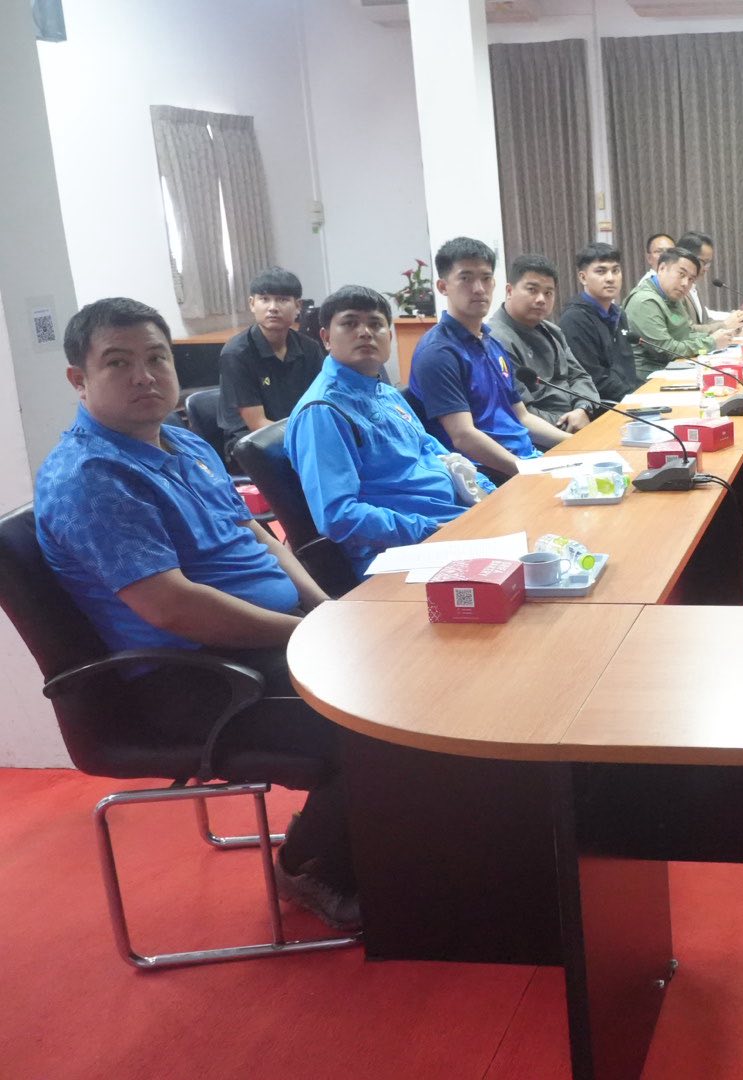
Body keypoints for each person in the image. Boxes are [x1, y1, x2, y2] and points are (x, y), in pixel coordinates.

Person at [34, 297, 357, 928]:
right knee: (375, 716)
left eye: (156, 358)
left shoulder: (181, 440)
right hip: (192, 677)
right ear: (79, 379)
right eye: (118, 363)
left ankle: (383, 831)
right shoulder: (92, 477)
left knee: (398, 673)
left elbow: (256, 534)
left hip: (261, 643)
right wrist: (309, 630)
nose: (144, 376)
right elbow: (174, 608)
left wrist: (324, 606)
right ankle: (311, 866)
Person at [286, 286, 490, 578]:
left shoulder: (387, 393)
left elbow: (439, 455)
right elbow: (338, 516)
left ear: (390, 338)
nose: (365, 332)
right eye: (350, 323)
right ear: (326, 338)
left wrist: (490, 496)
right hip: (404, 551)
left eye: (376, 324)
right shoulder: (322, 411)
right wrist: (431, 530)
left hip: (454, 524)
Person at [408, 236, 569, 479]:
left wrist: (577, 443)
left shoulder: (492, 344)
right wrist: (528, 471)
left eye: (485, 278)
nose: (479, 289)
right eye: (466, 278)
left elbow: (522, 417)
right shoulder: (438, 352)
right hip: (488, 475)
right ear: (443, 287)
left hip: (526, 460)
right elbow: (463, 437)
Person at [217, 266, 323, 462]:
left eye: (282, 300)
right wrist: (308, 440)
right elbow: (257, 424)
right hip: (251, 445)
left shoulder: (310, 348)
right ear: (252, 304)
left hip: (298, 436)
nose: (273, 307)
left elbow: (321, 404)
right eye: (264, 299)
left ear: (298, 306)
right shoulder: (236, 354)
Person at [488, 254, 600, 432]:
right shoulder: (496, 340)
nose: (541, 299)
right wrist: (568, 424)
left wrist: (582, 408)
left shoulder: (553, 331)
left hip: (578, 420)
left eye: (548, 293)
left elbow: (579, 376)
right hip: (548, 434)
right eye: (532, 290)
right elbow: (522, 412)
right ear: (509, 291)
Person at [623, 245, 735, 379]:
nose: (685, 283)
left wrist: (721, 334)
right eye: (681, 274)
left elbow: (687, 333)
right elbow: (666, 351)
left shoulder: (672, 296)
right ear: (662, 268)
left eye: (691, 279)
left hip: (674, 368)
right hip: (649, 377)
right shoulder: (644, 301)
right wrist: (711, 343)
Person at [558, 242, 640, 404]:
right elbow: (593, 378)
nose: (610, 278)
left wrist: (644, 391)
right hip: (602, 406)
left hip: (627, 399)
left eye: (615, 271)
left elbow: (627, 369)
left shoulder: (618, 314)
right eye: (601, 271)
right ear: (583, 277)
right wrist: (636, 397)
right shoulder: (575, 319)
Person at [673, 230, 743, 334]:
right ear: (686, 257)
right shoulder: (676, 289)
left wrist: (733, 324)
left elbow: (704, 322)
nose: (706, 268)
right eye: (703, 262)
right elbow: (688, 330)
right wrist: (725, 325)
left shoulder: (693, 287)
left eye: (708, 263)